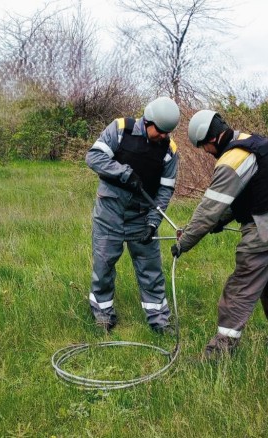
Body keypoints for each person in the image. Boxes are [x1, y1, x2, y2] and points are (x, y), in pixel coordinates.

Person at [171, 110, 268, 359]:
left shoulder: (231, 160)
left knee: (238, 291)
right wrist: (220, 222)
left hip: (265, 232)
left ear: (211, 140)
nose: (207, 153)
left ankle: (219, 352)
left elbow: (208, 210)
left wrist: (185, 242)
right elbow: (249, 194)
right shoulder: (254, 141)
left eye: (204, 148)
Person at [86, 96, 180, 334]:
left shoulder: (169, 151)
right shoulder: (120, 129)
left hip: (141, 215)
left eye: (168, 133)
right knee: (104, 265)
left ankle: (159, 320)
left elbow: (165, 189)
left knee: (151, 270)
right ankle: (103, 315)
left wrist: (153, 222)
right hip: (110, 212)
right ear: (147, 121)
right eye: (160, 131)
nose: (164, 136)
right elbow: (94, 157)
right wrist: (123, 173)